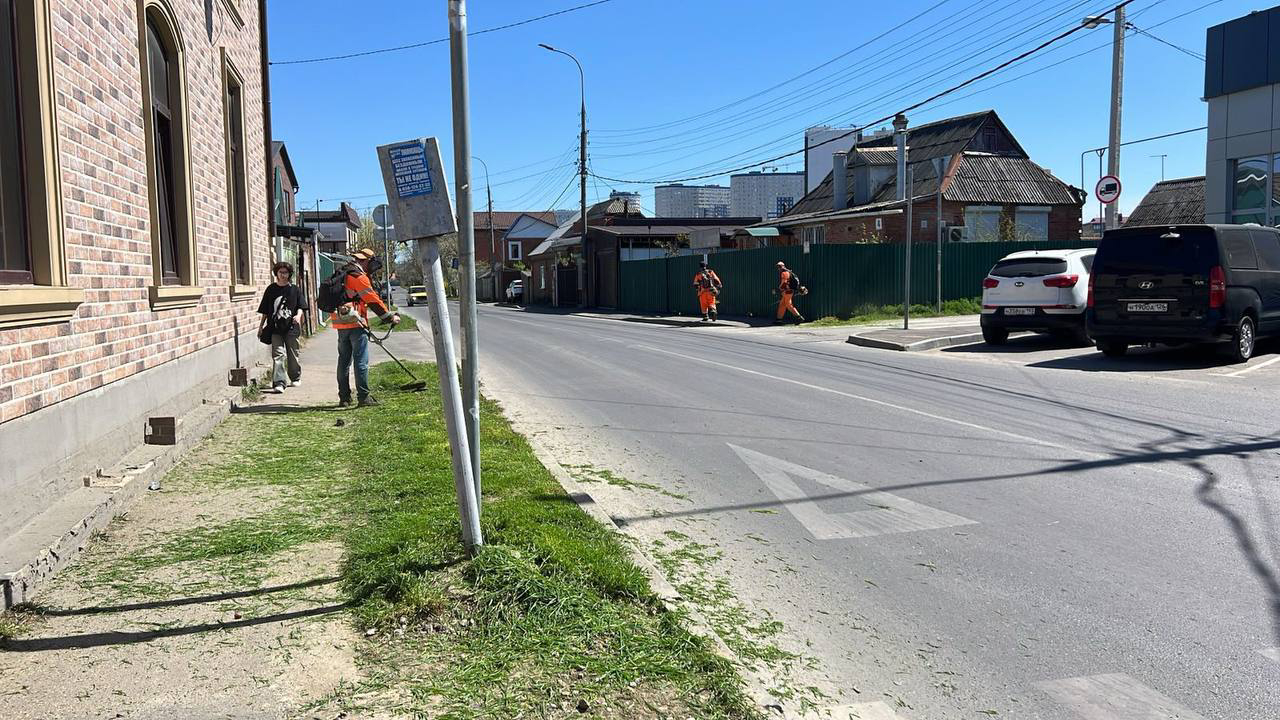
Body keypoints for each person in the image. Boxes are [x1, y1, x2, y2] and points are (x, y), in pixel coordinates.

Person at [332, 249, 399, 407]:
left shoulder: (342, 273)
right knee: (361, 361)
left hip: (341, 322)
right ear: (367, 261)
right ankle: (364, 397)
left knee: (343, 361)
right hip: (356, 321)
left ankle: (344, 398)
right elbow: (372, 299)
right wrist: (389, 317)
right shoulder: (358, 276)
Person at [257, 261, 304, 394]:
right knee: (278, 355)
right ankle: (279, 382)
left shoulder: (294, 289)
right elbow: (265, 311)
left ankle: (295, 376)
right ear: (276, 273)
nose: (283, 275)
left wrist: (298, 316)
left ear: (289, 274)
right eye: (280, 272)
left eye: (286, 272)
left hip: (291, 327)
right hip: (275, 328)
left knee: (293, 354)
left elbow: (301, 306)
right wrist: (261, 326)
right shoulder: (271, 289)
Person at [774, 261, 805, 325]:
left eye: (779, 266)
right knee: (782, 304)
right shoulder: (788, 272)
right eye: (778, 266)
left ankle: (799, 317)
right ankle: (779, 320)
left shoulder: (784, 273)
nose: (778, 268)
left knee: (788, 305)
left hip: (787, 291)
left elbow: (784, 282)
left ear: (783, 266)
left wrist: (779, 289)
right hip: (788, 291)